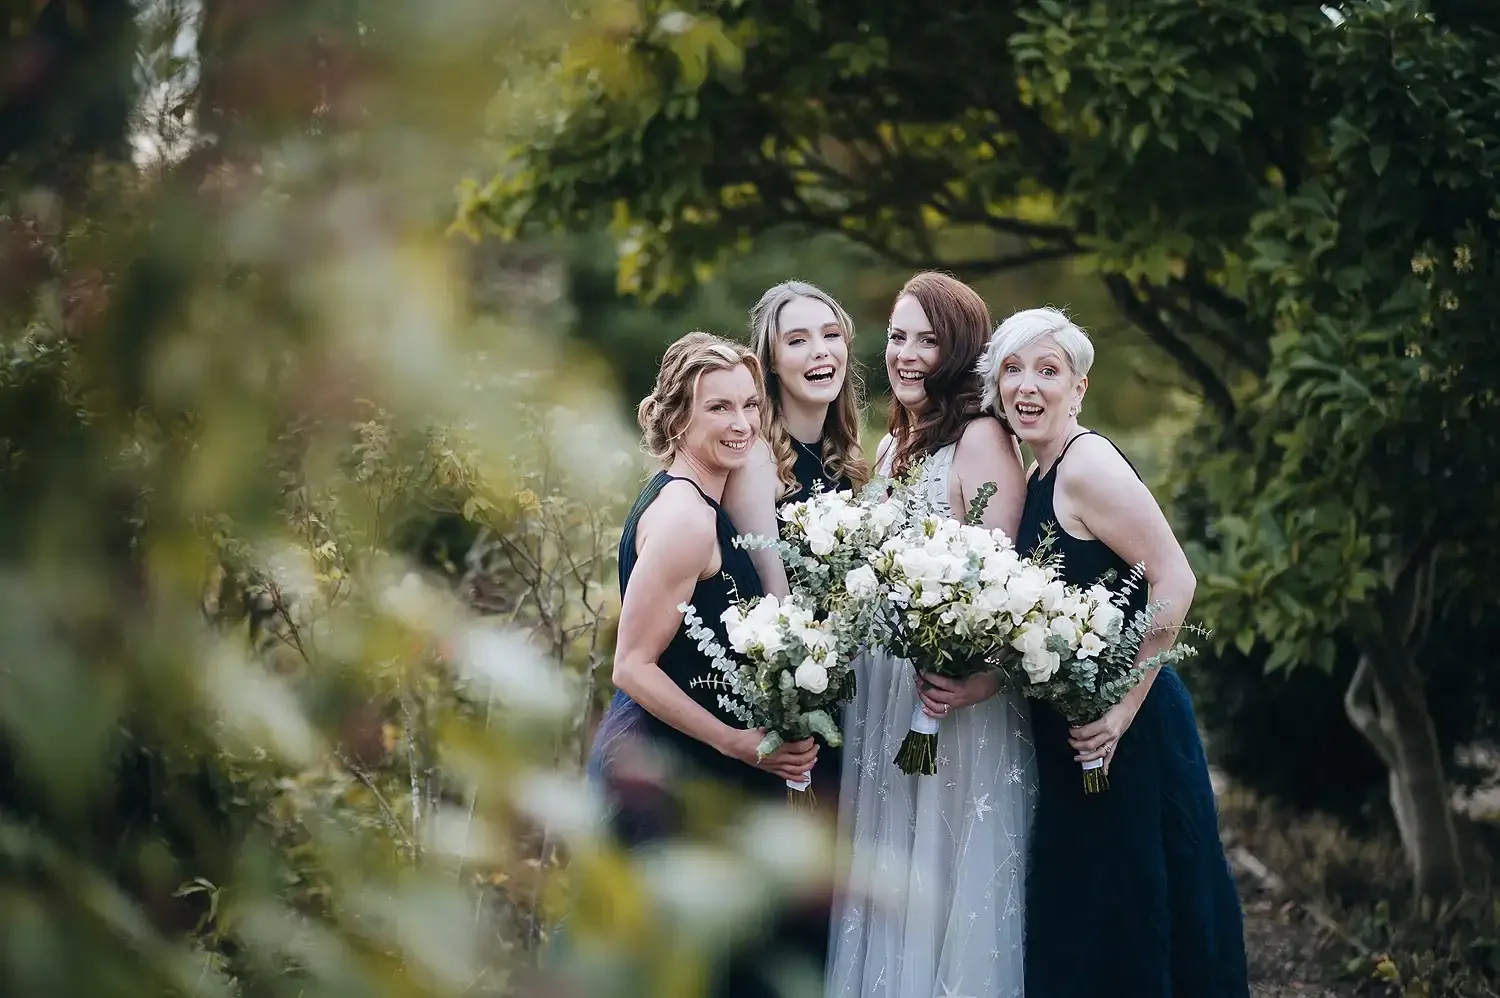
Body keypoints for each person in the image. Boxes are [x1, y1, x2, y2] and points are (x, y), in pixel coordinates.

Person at [983, 306, 1250, 997]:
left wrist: (1123, 708)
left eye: (1049, 370)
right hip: (1079, 733)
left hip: (1130, 734)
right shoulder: (1039, 471)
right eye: (1013, 369)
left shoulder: (1086, 465)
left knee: (1136, 918)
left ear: (1080, 388)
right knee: (1089, 917)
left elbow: (1175, 578)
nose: (1028, 386)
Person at [585, 331, 820, 997]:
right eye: (719, 408)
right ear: (678, 416)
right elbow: (631, 665)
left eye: (750, 405)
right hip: (661, 765)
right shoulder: (687, 517)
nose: (742, 423)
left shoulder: (699, 498)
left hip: (688, 764)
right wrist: (739, 742)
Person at [827, 272, 1035, 998]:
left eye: (928, 339)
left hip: (951, 704)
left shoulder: (981, 439)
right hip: (886, 689)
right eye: (898, 336)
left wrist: (973, 676)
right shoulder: (895, 445)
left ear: (960, 350)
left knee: (939, 882)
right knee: (889, 876)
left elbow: (1003, 588)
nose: (907, 354)